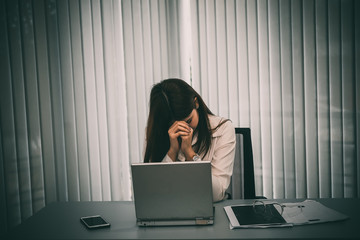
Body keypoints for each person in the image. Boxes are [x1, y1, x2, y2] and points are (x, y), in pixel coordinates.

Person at [143, 78, 236, 202]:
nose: (183, 129)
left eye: (188, 121)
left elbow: (216, 193)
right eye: (172, 125)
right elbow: (152, 191)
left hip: (209, 207)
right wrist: (172, 152)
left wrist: (189, 153)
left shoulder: (223, 128)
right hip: (169, 208)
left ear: (195, 103)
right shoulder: (156, 131)